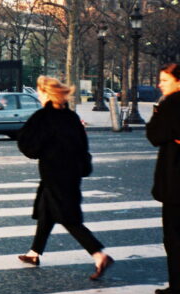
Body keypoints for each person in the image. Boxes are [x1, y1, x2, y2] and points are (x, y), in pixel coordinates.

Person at [17, 75, 114, 280]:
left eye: (39, 91)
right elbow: (82, 146)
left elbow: (27, 145)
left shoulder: (43, 117)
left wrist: (40, 149)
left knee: (69, 218)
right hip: (71, 175)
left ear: (46, 93)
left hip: (53, 174)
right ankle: (34, 253)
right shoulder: (71, 117)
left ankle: (98, 254)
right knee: (47, 212)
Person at [146, 63, 180, 294]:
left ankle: (178, 286)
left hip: (176, 180)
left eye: (165, 80)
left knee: (175, 236)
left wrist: (157, 111)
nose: (160, 84)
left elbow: (155, 136)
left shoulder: (170, 104)